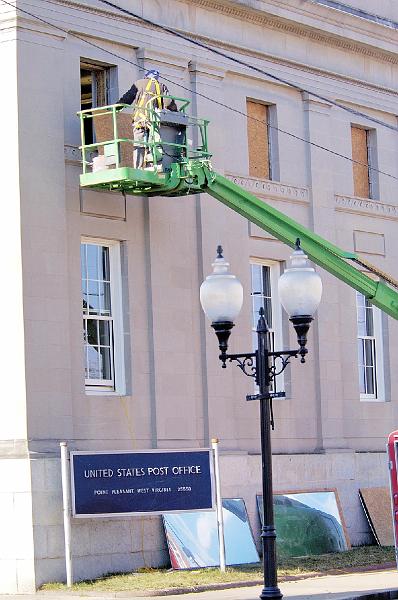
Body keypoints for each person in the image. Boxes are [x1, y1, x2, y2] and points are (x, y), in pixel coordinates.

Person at [117, 69, 177, 169]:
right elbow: (168, 103)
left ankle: (138, 167)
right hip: (156, 122)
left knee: (139, 144)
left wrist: (117, 107)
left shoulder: (139, 84)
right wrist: (176, 111)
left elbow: (127, 98)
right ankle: (152, 166)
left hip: (140, 121)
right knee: (154, 144)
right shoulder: (161, 86)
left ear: (146, 76)